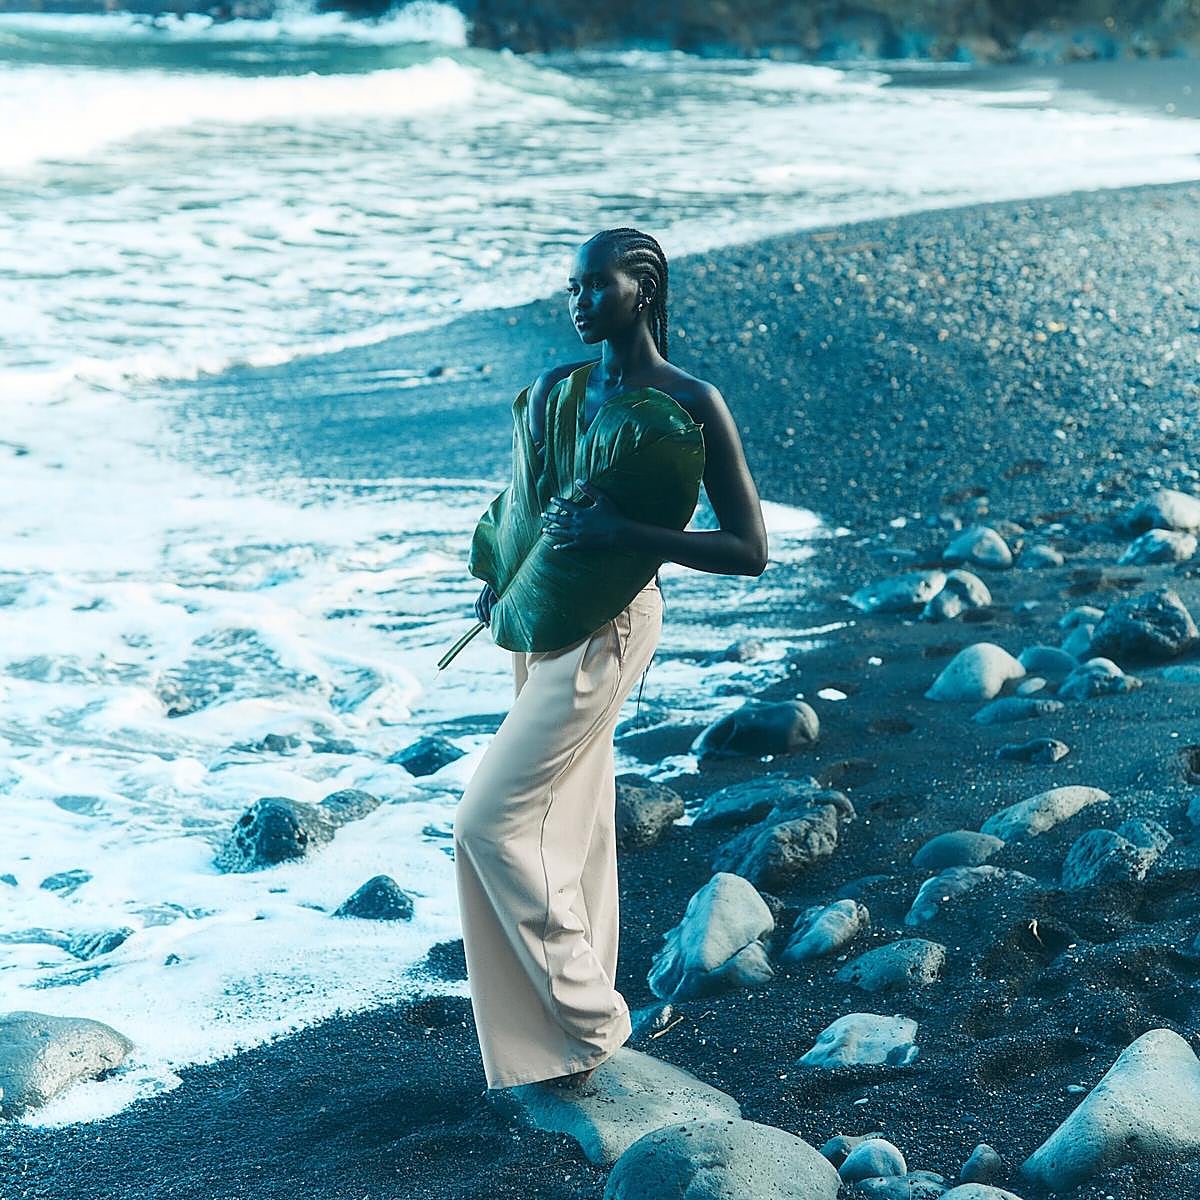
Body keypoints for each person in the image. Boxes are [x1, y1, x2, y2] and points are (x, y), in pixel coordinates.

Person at [452, 226, 768, 1092]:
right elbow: (528, 503)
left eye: (598, 287)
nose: (580, 303)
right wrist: (502, 579)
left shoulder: (689, 401)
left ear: (645, 288)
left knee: (486, 822)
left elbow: (748, 549)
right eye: (573, 287)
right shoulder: (561, 389)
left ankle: (594, 1017)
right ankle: (546, 1049)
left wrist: (626, 533)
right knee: (572, 822)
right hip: (542, 616)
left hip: (612, 628)